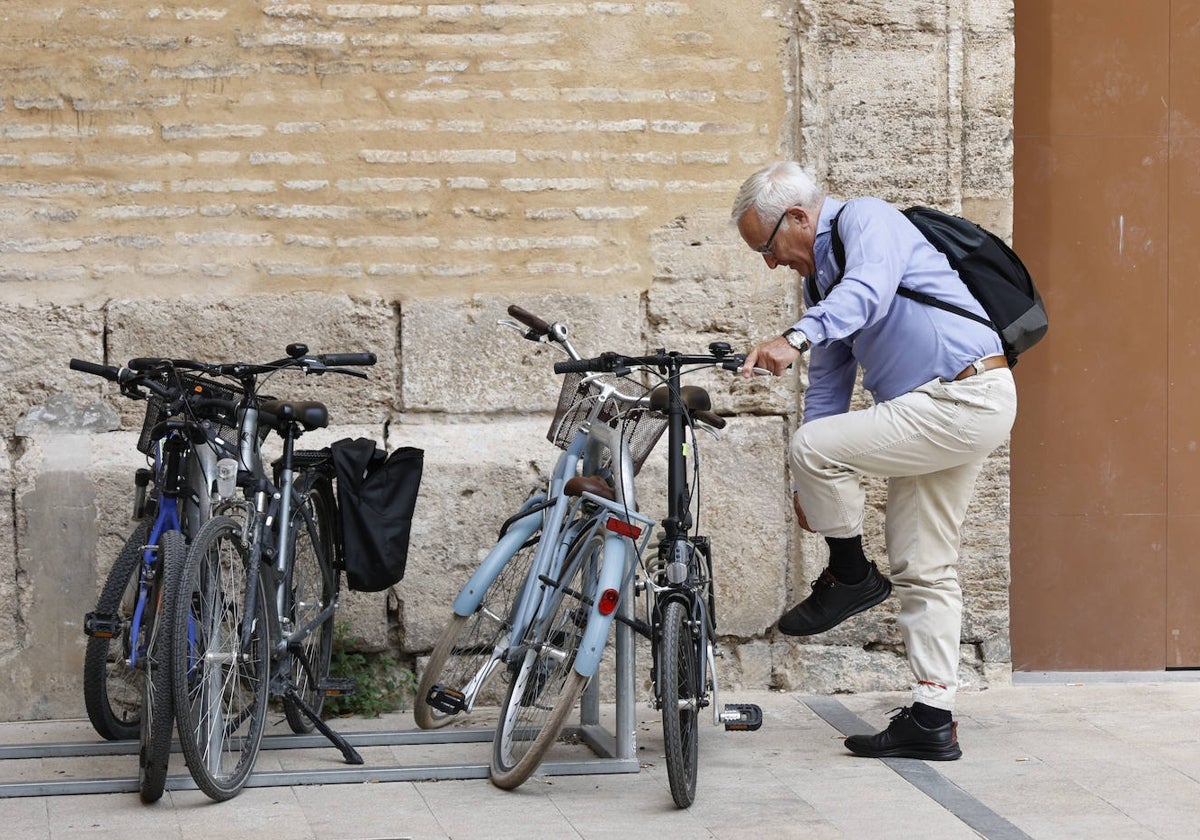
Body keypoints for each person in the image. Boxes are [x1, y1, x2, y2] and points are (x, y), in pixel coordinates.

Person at [731, 161, 1018, 761]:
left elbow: (869, 291)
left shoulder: (868, 219)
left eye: (767, 245)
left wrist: (794, 337)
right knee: (924, 562)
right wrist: (811, 489)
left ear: (800, 217)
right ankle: (932, 718)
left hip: (963, 393)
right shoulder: (820, 285)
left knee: (814, 451)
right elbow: (830, 386)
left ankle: (851, 576)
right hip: (938, 405)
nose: (770, 262)